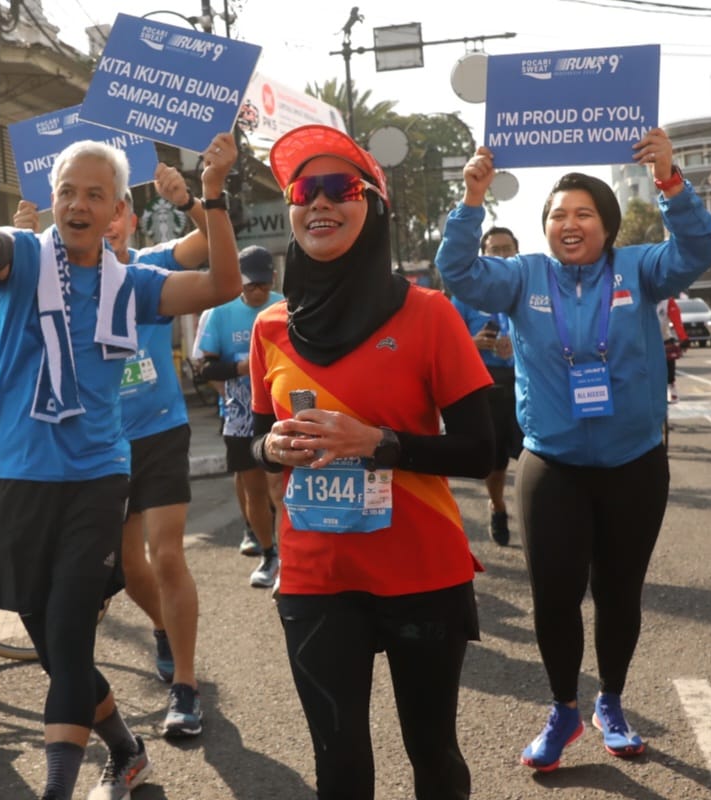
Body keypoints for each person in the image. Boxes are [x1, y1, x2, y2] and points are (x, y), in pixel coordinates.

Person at [0, 131, 242, 800]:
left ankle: (57, 791)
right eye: (67, 191)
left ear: (117, 210)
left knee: (70, 634)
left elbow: (222, 283)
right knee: (55, 651)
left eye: (94, 194)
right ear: (54, 199)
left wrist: (212, 197)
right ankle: (126, 751)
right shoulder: (29, 260)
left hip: (97, 479)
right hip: (16, 474)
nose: (77, 203)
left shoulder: (134, 285)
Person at [435, 128, 711, 772]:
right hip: (552, 465)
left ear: (607, 225)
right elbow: (458, 271)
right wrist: (472, 200)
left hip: (634, 463)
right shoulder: (522, 276)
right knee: (555, 597)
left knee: (620, 593)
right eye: (558, 214)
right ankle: (564, 709)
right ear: (544, 227)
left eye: (584, 213)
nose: (570, 223)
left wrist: (672, 182)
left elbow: (697, 248)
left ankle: (610, 703)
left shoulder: (642, 267)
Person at [250, 124, 495, 800]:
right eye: (306, 189)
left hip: (420, 565)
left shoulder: (429, 314)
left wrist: (380, 444)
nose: (319, 202)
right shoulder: (270, 326)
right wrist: (267, 448)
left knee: (433, 757)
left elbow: (484, 447)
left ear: (373, 206)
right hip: (315, 573)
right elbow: (259, 435)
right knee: (340, 770)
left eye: (340, 187)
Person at [11, 162, 217, 739]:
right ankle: (163, 628)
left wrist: (190, 200)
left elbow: (211, 251)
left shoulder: (148, 268)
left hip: (159, 431)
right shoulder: (57, 273)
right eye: (73, 199)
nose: (94, 217)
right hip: (102, 445)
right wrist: (21, 235)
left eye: (104, 203)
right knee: (128, 568)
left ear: (123, 214)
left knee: (167, 553)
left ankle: (187, 686)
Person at [196, 246, 283, 589]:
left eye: (262, 285)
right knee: (253, 489)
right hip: (239, 414)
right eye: (250, 287)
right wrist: (240, 368)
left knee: (278, 486)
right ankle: (267, 552)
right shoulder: (221, 313)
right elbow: (204, 367)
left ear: (271, 280)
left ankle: (289, 554)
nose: (257, 292)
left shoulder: (282, 306)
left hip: (277, 409)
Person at [449, 226, 523, 546]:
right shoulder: (466, 294)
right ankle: (497, 505)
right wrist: (472, 343)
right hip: (488, 385)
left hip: (527, 381)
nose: (502, 254)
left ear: (516, 251)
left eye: (507, 248)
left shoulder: (529, 287)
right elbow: (447, 343)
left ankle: (541, 513)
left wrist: (519, 345)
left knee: (538, 453)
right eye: (495, 249)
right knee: (496, 461)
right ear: (484, 254)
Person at [657, 296, 687, 403]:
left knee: (669, 364)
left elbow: (676, 320)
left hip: (664, 338)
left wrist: (683, 338)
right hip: (646, 340)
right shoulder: (641, 296)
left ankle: (671, 387)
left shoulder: (667, 301)